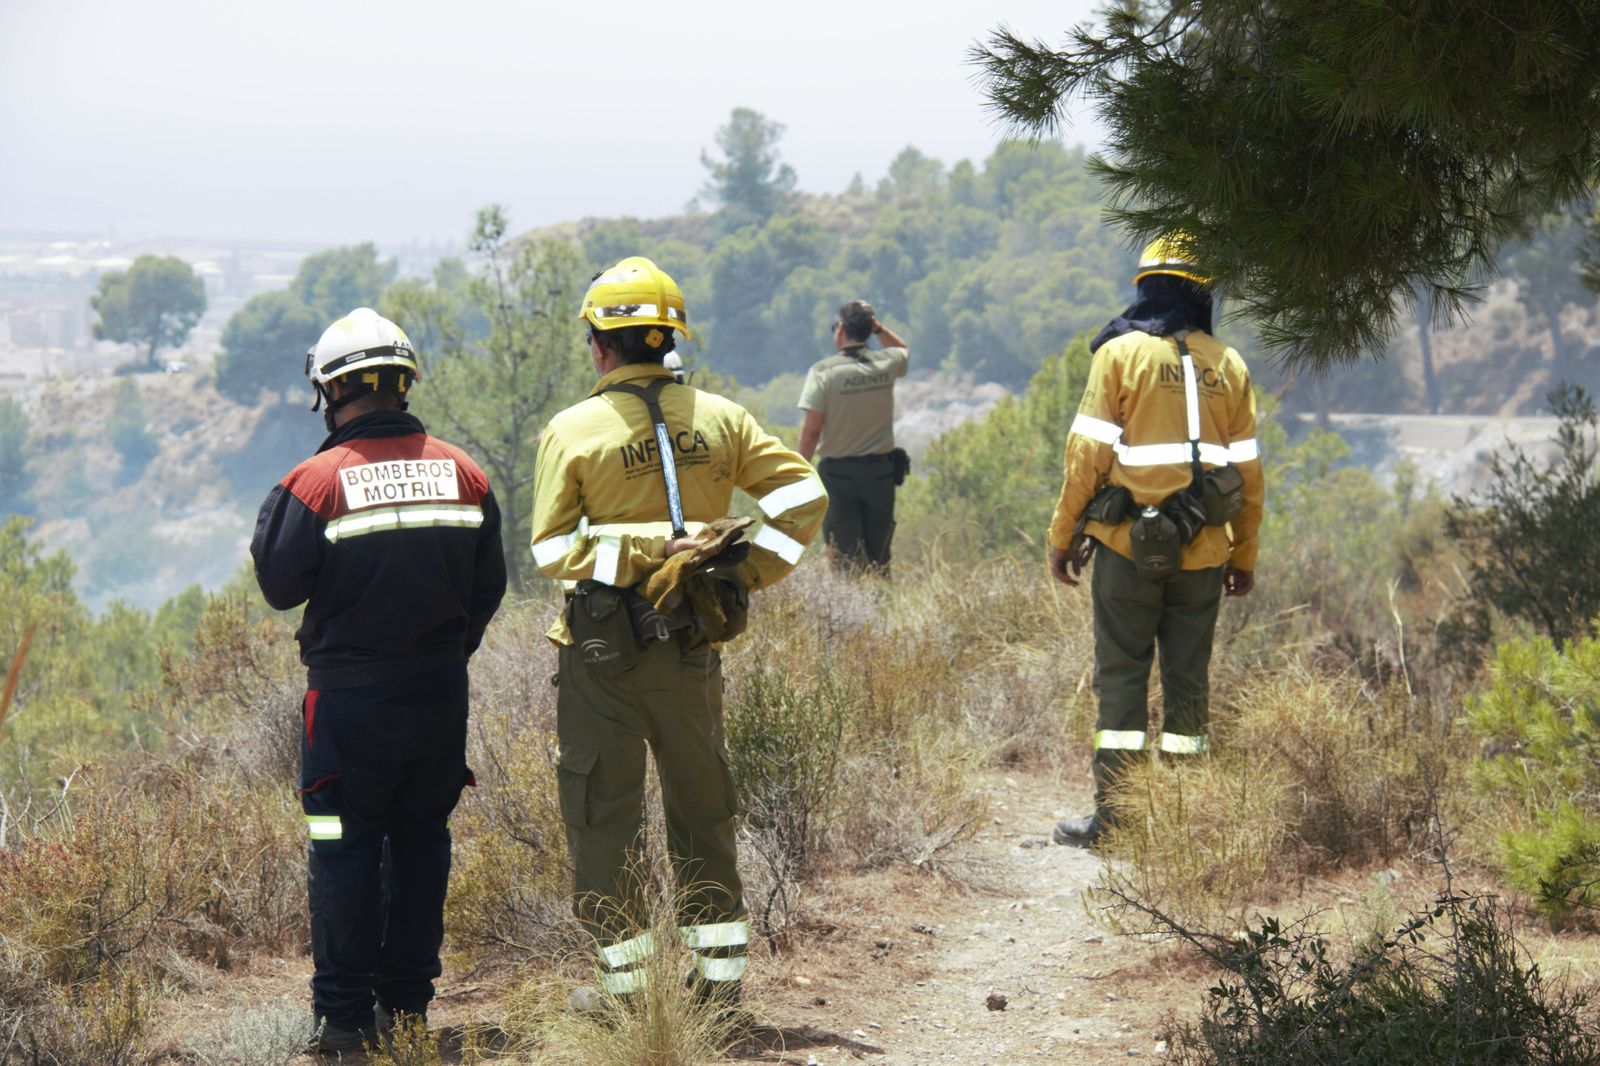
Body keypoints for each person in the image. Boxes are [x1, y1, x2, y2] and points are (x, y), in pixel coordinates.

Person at [528, 257, 826, 1007]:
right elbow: (804, 496)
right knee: (703, 806)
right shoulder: (723, 419)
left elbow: (550, 551)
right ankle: (718, 991)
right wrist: (739, 574)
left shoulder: (572, 431)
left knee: (603, 814)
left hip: (604, 660)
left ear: (599, 346)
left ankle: (627, 1000)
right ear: (669, 341)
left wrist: (635, 555)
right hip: (693, 644)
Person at [251, 308, 507, 1052]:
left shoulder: (315, 481)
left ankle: (343, 1023)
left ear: (331, 394)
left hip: (348, 706)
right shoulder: (464, 473)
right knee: (422, 839)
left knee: (341, 845)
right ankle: (407, 1012)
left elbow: (279, 585)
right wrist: (445, 652)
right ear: (404, 383)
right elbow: (488, 588)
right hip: (437, 696)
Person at [1045, 235, 1264, 848]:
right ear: (1200, 294)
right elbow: (1249, 478)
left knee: (1120, 679)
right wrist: (1242, 555)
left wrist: (1063, 537)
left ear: (1146, 288)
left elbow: (1086, 459)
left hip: (1123, 550)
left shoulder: (1118, 355)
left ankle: (1116, 822)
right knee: (1189, 684)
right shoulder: (1231, 364)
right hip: (1204, 555)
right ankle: (1185, 824)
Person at [797, 299, 909, 575]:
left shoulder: (823, 372)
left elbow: (812, 432)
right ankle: (882, 605)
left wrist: (797, 474)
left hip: (839, 476)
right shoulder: (887, 363)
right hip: (881, 473)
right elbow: (902, 349)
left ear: (840, 328)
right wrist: (877, 327)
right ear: (870, 328)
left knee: (844, 556)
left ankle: (852, 611)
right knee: (879, 553)